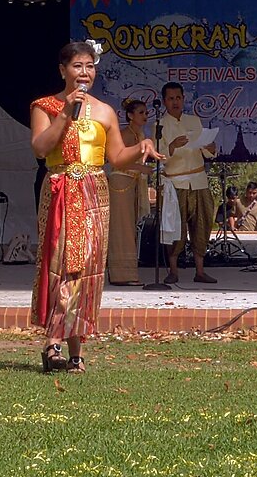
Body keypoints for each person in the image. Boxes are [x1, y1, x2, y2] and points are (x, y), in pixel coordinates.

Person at [30, 41, 162, 373]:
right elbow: (41, 149)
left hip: (93, 191)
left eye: (89, 66)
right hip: (60, 188)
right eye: (77, 66)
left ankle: (75, 350)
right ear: (63, 70)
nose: (84, 72)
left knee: (86, 268)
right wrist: (64, 113)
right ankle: (52, 344)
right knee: (60, 262)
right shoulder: (44, 106)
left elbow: (116, 157)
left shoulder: (104, 111)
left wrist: (142, 146)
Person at [157, 82, 219, 283]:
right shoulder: (159, 125)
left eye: (178, 98)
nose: (175, 102)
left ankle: (199, 271)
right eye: (170, 98)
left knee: (202, 224)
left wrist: (210, 147)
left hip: (199, 180)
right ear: (165, 101)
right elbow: (158, 155)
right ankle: (173, 270)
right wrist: (172, 146)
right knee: (175, 226)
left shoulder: (194, 120)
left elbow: (207, 153)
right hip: (176, 182)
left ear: (183, 99)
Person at [106, 98, 151, 285]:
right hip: (121, 182)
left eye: (146, 112)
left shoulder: (139, 134)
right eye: (141, 112)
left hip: (132, 183)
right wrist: (140, 169)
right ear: (130, 116)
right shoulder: (125, 134)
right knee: (122, 227)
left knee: (130, 227)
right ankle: (122, 275)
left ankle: (126, 273)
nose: (145, 116)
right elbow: (115, 159)